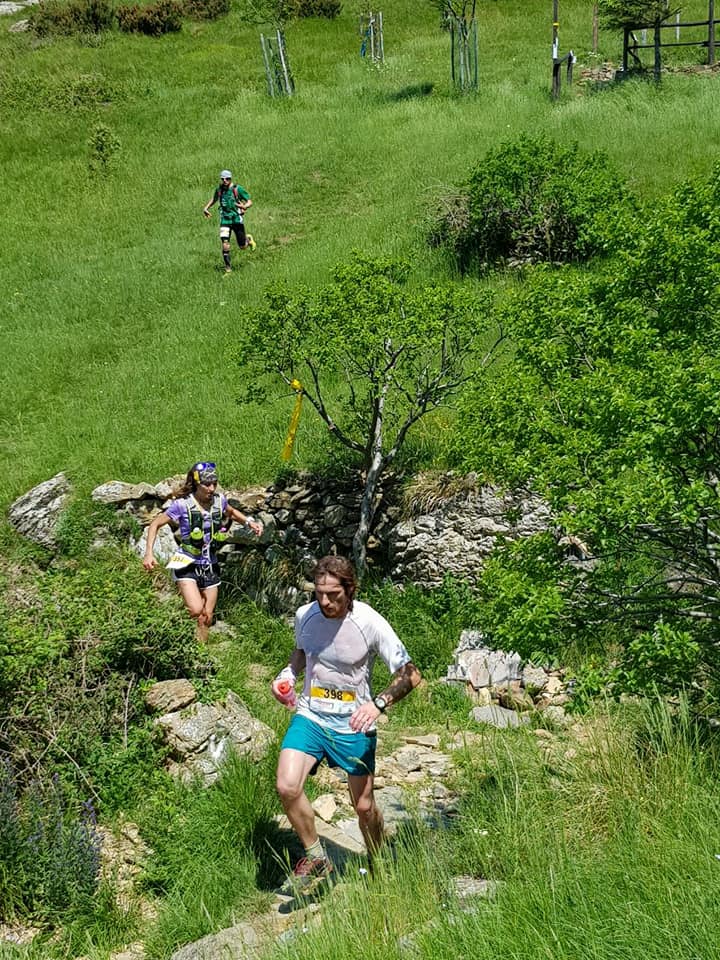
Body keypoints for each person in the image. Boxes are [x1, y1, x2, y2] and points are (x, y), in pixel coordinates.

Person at [272, 555, 422, 892]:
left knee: (364, 807)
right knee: (287, 785)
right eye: (319, 593)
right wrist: (288, 674)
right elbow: (301, 651)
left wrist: (378, 704)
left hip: (352, 724)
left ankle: (379, 858)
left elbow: (411, 675)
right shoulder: (304, 615)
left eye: (333, 595)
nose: (325, 602)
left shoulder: (369, 621)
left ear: (350, 590)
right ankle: (315, 855)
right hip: (311, 715)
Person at [143, 461, 263, 642]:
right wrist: (149, 553)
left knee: (206, 615)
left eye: (214, 483)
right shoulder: (182, 505)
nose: (212, 488)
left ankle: (200, 655)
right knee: (195, 609)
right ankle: (174, 627)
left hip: (209, 563)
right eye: (207, 484)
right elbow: (155, 524)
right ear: (196, 483)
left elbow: (231, 512)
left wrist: (249, 522)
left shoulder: (219, 501)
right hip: (186, 562)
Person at [203, 170, 256, 274]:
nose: (224, 181)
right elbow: (214, 199)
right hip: (225, 220)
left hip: (237, 220)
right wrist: (206, 208)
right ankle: (228, 269)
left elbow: (250, 201)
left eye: (227, 179)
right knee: (225, 244)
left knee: (242, 247)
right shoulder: (219, 190)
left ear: (231, 178)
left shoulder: (237, 189)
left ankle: (248, 240)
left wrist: (244, 206)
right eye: (222, 179)